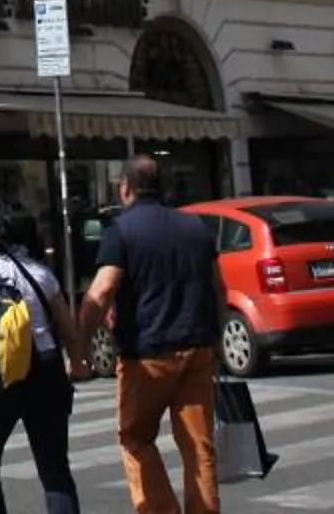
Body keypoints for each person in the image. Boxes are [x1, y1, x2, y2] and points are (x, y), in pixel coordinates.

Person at [83, 157, 222, 514]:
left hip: (147, 355)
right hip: (197, 348)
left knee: (135, 438)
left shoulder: (122, 230)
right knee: (198, 447)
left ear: (125, 188)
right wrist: (216, 338)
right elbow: (218, 288)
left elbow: (103, 290)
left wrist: (80, 342)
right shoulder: (195, 228)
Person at [0, 210, 86, 514]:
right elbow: (69, 330)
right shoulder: (43, 274)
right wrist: (78, 363)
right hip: (46, 367)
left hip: (2, 370)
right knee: (55, 469)